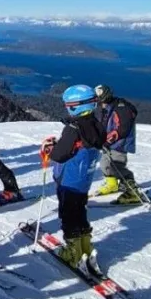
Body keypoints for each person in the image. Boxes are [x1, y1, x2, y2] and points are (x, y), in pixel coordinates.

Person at [42, 85, 105, 268]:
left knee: (68, 213)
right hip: (84, 180)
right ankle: (85, 245)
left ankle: (73, 251)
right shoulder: (96, 124)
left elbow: (60, 154)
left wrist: (49, 149)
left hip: (69, 180)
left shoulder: (73, 128)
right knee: (80, 210)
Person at [93, 84, 141, 205]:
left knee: (116, 166)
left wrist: (106, 141)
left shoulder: (121, 108)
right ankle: (112, 184)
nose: (100, 102)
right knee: (105, 164)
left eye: (102, 98)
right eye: (99, 99)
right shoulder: (106, 106)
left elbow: (122, 129)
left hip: (119, 143)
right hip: (108, 143)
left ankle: (133, 192)